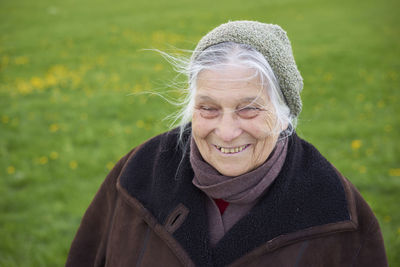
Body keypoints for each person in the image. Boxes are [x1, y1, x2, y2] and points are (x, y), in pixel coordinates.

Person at [66, 21, 388, 267]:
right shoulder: (136, 174)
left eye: (249, 108)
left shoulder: (338, 213)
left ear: (284, 114)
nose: (227, 131)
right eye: (209, 108)